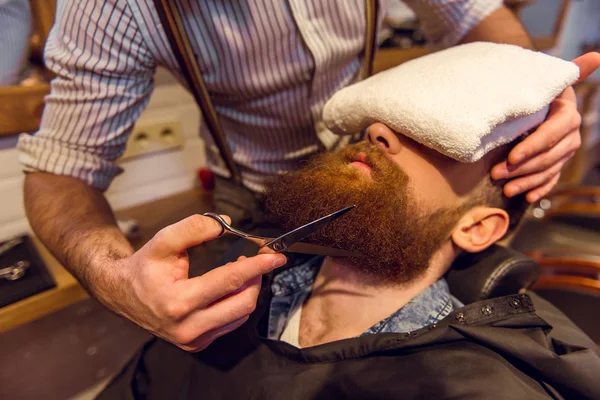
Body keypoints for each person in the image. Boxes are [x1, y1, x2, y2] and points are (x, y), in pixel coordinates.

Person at [16, 0, 587, 353]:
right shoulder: (112, 7)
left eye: (423, 134)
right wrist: (117, 279)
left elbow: (482, 24)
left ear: (480, 227)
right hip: (256, 189)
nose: (377, 129)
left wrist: (540, 92)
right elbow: (61, 171)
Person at [98, 120, 600, 399]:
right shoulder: (235, 292)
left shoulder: (475, 386)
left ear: (476, 227)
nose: (378, 130)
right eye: (382, 118)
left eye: (439, 135)